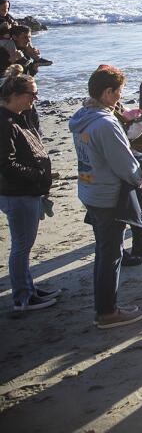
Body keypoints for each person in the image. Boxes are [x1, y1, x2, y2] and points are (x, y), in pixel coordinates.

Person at [70, 65, 142, 329]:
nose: (120, 96)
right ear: (107, 92)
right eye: (118, 92)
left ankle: (106, 307)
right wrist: (141, 174)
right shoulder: (105, 123)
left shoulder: (83, 115)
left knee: (104, 251)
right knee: (111, 253)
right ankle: (107, 312)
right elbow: (125, 166)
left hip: (90, 188)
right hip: (107, 194)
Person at [1, 65, 59, 311]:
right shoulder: (5, 122)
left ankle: (28, 287)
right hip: (18, 193)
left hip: (25, 191)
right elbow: (6, 163)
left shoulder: (17, 117)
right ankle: (23, 297)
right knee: (22, 245)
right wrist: (37, 176)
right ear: (16, 94)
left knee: (24, 245)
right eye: (31, 94)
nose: (35, 99)